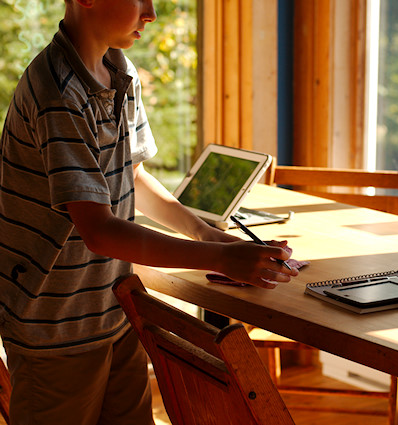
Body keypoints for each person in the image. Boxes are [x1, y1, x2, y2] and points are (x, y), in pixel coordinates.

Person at [0, 0, 298, 424]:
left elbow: (131, 173)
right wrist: (219, 258)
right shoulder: (56, 92)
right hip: (56, 330)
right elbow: (99, 231)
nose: (151, 13)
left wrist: (206, 234)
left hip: (115, 310)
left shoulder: (121, 72)